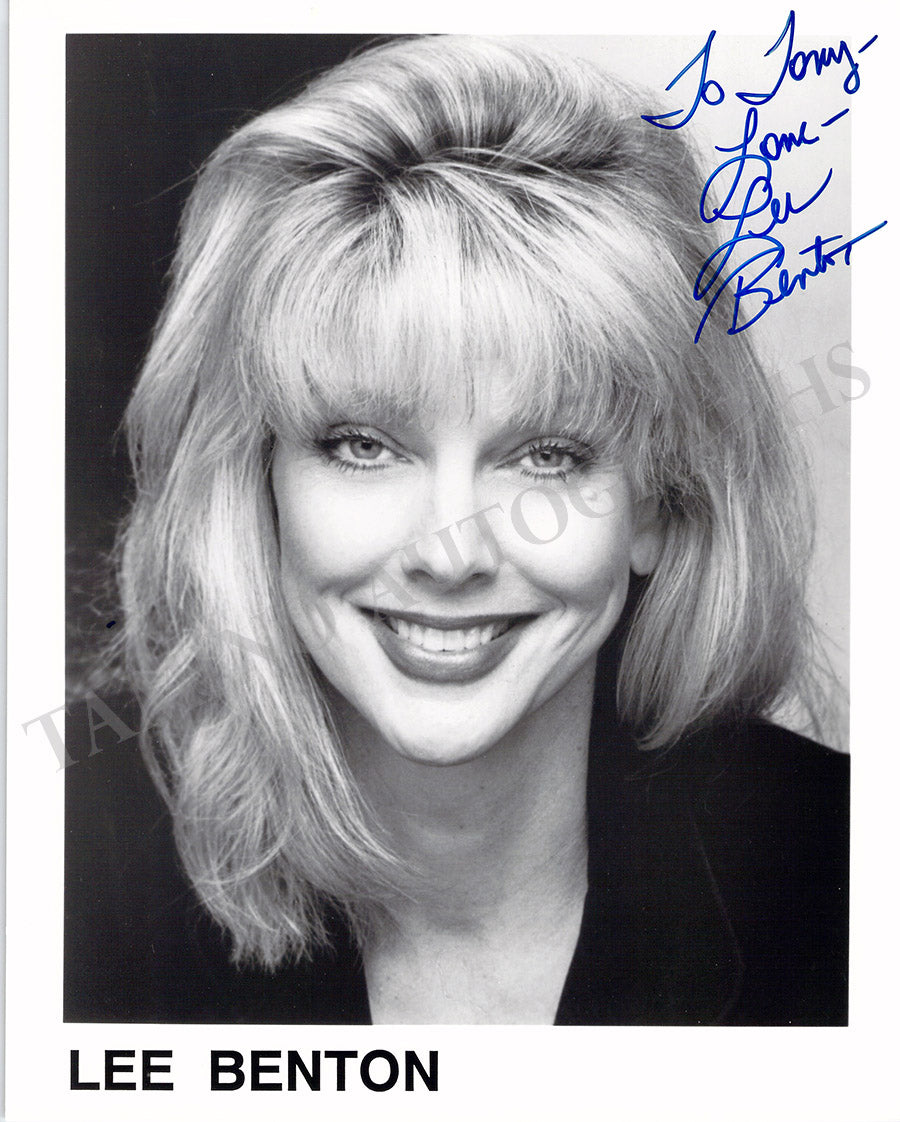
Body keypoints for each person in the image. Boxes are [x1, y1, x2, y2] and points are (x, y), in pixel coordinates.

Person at [65, 34, 848, 1025]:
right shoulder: (62, 878)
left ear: (657, 504)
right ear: (256, 483)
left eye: (549, 455)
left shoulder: (845, 874)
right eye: (362, 446)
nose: (450, 553)